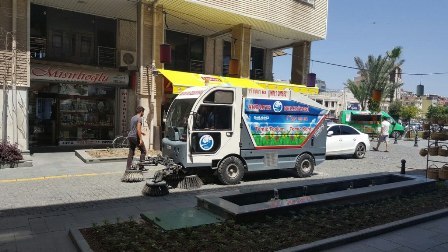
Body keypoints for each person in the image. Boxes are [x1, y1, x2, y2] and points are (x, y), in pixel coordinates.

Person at [126, 106, 147, 170]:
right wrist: (140, 139)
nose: (143, 113)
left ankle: (128, 167)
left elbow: (133, 128)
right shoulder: (139, 118)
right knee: (143, 151)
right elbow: (138, 129)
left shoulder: (133, 118)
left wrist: (141, 132)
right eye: (143, 112)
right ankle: (141, 167)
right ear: (141, 112)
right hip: (135, 136)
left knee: (131, 152)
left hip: (130, 136)